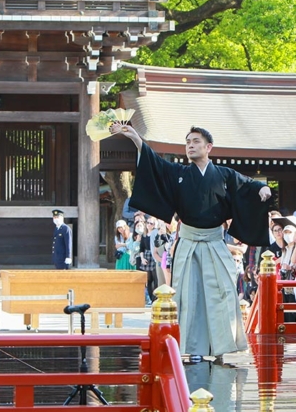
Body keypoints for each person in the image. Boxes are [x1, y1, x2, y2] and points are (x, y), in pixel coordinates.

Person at [110, 123, 272, 357]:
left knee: (223, 292)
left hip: (215, 242)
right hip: (188, 242)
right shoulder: (179, 173)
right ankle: (191, 348)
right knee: (188, 295)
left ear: (209, 147)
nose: (190, 146)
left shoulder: (225, 175)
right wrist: (135, 138)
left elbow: (248, 185)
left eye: (195, 141)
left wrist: (263, 189)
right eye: (187, 142)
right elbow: (155, 163)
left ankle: (223, 346)